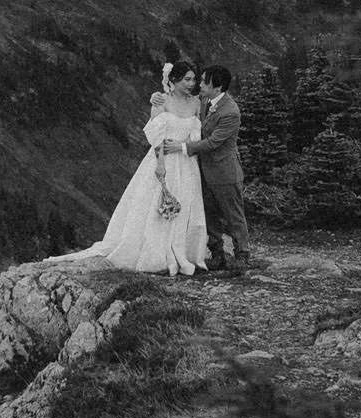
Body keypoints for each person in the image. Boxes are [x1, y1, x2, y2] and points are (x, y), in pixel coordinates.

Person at [89, 55, 210, 275]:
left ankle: (184, 250)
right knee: (157, 206)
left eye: (193, 79)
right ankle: (156, 253)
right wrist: (160, 164)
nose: (192, 84)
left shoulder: (195, 103)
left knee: (186, 205)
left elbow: (196, 135)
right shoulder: (161, 102)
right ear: (173, 80)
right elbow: (156, 137)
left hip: (187, 163)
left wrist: (183, 147)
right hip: (165, 160)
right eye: (187, 79)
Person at [195, 63, 250, 275]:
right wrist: (157, 96)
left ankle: (242, 256)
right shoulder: (204, 100)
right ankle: (217, 254)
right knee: (210, 214)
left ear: (217, 87)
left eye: (203, 81)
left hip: (225, 172)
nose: (199, 84)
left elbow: (212, 142)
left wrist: (183, 147)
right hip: (206, 171)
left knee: (233, 214)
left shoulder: (230, 111)